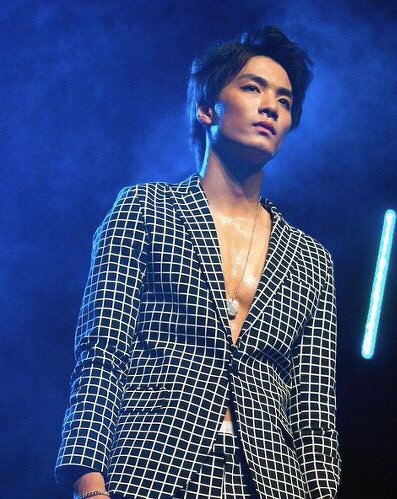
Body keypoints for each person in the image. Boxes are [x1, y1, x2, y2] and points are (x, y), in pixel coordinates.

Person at [55, 25, 341, 499]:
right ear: (208, 108)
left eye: (285, 100)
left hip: (271, 482)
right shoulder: (146, 210)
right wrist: (89, 482)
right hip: (151, 471)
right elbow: (103, 351)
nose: (271, 106)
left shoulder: (311, 259)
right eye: (253, 88)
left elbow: (314, 413)